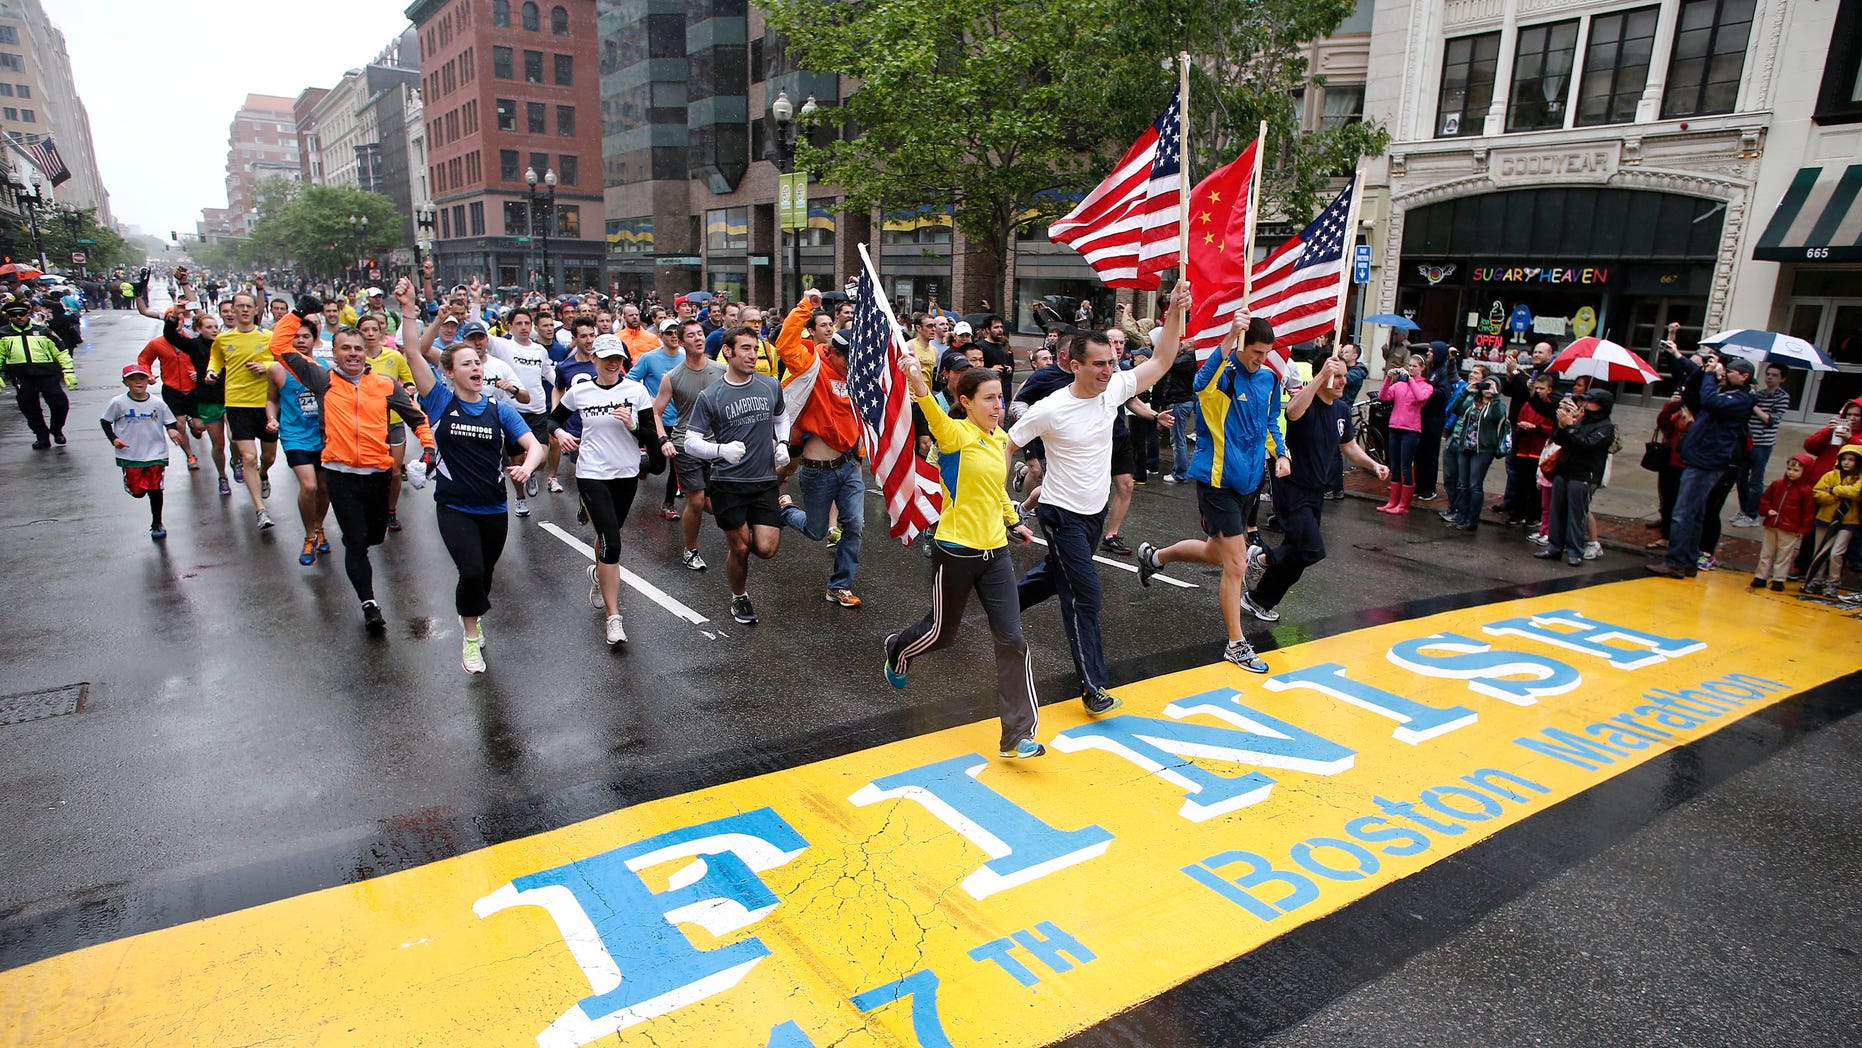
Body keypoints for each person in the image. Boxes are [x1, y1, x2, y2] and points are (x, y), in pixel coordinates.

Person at [1013, 283, 1188, 707]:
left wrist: (1175, 312)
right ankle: (1092, 686)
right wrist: (1003, 508)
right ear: (1074, 366)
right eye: (1098, 365)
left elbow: (1163, 358)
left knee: (1057, 577)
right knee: (1085, 593)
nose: (1108, 370)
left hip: (1094, 512)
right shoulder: (1051, 407)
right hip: (1060, 513)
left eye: (1111, 363)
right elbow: (1008, 443)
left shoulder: (1114, 389)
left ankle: (998, 602)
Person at [886, 351, 1044, 759]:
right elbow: (933, 415)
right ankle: (897, 649)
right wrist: (918, 383)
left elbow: (996, 491)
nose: (998, 406)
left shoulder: (1000, 440)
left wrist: (1013, 520)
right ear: (966, 401)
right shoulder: (955, 435)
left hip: (996, 554)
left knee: (1012, 639)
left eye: (1000, 398)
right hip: (956, 551)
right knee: (943, 633)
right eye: (988, 399)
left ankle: (1017, 735)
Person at [1136, 307, 1281, 673]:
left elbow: (1270, 422)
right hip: (1216, 481)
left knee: (1216, 553)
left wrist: (1281, 453)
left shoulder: (1269, 379)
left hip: (1249, 480)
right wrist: (1230, 336)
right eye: (1256, 352)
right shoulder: (1224, 377)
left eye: (1266, 354)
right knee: (1235, 563)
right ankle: (1236, 644)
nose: (1260, 360)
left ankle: (1155, 557)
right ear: (1242, 347)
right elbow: (1200, 383)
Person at [403, 325, 548, 670]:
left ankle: (472, 613)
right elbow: (412, 353)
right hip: (454, 506)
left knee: (484, 575)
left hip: (494, 506)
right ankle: (470, 639)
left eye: (477, 363)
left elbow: (534, 447)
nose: (475, 369)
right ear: (449, 372)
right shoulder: (440, 401)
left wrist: (527, 467)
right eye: (466, 364)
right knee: (469, 571)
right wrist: (411, 311)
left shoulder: (499, 410)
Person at [274, 323, 436, 631]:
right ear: (333, 352)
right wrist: (296, 315)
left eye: (357, 348)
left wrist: (428, 449)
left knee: (374, 536)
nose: (352, 354)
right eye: (345, 348)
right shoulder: (322, 379)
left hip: (378, 474)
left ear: (365, 353)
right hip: (340, 474)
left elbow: (418, 418)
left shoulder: (386, 384)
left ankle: (358, 541)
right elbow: (279, 346)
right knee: (357, 543)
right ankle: (369, 603)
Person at [551, 333, 657, 645]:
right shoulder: (580, 391)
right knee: (612, 541)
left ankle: (599, 575)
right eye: (607, 358)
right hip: (591, 473)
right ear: (594, 359)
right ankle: (614, 618)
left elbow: (651, 435)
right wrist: (560, 433)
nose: (613, 364)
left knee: (609, 535)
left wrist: (634, 425)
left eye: (618, 359)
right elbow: (552, 419)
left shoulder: (636, 391)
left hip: (625, 474)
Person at [683, 326, 789, 625]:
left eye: (755, 349)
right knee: (740, 547)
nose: (752, 355)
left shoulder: (770, 386)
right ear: (727, 351)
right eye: (745, 348)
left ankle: (768, 521)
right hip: (728, 483)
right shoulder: (711, 395)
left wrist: (782, 442)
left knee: (766, 549)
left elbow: (781, 417)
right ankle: (739, 597)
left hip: (764, 480)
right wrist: (720, 450)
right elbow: (691, 441)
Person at [773, 290, 867, 607]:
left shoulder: (856, 376)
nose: (852, 365)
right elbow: (785, 344)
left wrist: (859, 455)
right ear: (833, 352)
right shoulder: (811, 363)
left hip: (846, 467)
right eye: (848, 358)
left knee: (854, 526)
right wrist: (806, 306)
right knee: (816, 532)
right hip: (816, 473)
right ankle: (785, 509)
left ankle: (839, 586)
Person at [1650, 355, 1756, 579]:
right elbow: (1690, 392)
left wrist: (1709, 375)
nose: (1725, 373)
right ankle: (1687, 560)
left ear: (1745, 376)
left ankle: (1676, 561)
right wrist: (1702, 369)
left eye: (1731, 371)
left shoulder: (1742, 399)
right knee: (1695, 513)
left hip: (1708, 460)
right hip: (1700, 456)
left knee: (1683, 512)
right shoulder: (1723, 392)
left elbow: (1709, 402)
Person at [208, 291, 301, 528]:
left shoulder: (269, 337)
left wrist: (266, 365)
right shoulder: (223, 339)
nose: (245, 310)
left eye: (249, 306)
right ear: (233, 310)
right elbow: (216, 360)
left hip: (266, 404)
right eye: (240, 306)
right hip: (237, 403)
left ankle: (263, 474)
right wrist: (212, 372)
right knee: (248, 457)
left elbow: (284, 361)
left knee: (268, 456)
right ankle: (261, 510)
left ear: (257, 310)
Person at [652, 319, 727, 572]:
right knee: (695, 500)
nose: (698, 338)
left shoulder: (720, 371)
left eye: (700, 334)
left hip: (717, 445)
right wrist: (663, 439)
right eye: (691, 335)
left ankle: (737, 531)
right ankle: (690, 550)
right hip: (686, 443)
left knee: (717, 503)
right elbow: (656, 412)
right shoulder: (672, 377)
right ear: (682, 342)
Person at [266, 320, 332, 565]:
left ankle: (319, 527)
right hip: (294, 435)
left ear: (314, 340)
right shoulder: (277, 369)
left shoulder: (325, 368)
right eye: (296, 337)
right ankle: (308, 536)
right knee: (310, 487)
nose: (301, 341)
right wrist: (272, 419)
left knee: (325, 488)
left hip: (323, 436)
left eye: (306, 336)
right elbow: (271, 400)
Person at [101, 363, 189, 540]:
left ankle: (157, 522)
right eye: (132, 379)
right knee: (138, 491)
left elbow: (169, 421)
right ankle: (133, 486)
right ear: (125, 383)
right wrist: (114, 439)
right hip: (131, 454)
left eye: (141, 378)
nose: (138, 382)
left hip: (155, 453)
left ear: (148, 381)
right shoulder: (118, 403)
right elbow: (105, 421)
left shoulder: (157, 403)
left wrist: (172, 430)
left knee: (155, 488)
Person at [1538, 389, 1617, 567]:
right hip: (1563, 470)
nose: (1585, 403)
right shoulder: (1580, 419)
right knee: (1556, 511)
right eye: (1585, 400)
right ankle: (1554, 546)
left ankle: (1574, 550)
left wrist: (1570, 427)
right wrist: (1561, 424)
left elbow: (1587, 444)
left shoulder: (1606, 427)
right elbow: (1559, 439)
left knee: (1576, 515)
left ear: (1602, 404)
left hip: (1583, 474)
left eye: (1590, 401)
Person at [627, 318, 690, 521]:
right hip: (658, 419)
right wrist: (648, 396)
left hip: (680, 420)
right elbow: (629, 381)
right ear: (661, 336)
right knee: (658, 466)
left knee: (676, 465)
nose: (673, 336)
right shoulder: (649, 358)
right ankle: (641, 465)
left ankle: (668, 505)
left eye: (676, 332)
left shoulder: (685, 358)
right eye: (669, 332)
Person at [1, 294, 75, 449]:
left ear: (28, 314)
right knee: (29, 408)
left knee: (59, 404)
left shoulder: (43, 332)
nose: (19, 318)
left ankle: (57, 430)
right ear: (9, 317)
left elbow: (61, 351)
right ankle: (41, 435)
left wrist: (68, 371)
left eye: (22, 314)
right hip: (22, 377)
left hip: (46, 374)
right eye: (14, 315)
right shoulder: (4, 334)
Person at [1441, 375, 1506, 531]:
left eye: (1492, 386)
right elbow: (1455, 409)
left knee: (1474, 485)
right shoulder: (1472, 402)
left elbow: (1497, 416)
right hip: (1466, 447)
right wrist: (1466, 392)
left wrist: (1495, 395)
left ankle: (1472, 519)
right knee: (1462, 484)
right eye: (1486, 385)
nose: (1488, 389)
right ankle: (1461, 515)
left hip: (1483, 450)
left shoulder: (1498, 405)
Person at [1733, 362, 1791, 527]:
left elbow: (1770, 420)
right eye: (1768, 374)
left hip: (1763, 443)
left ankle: (1753, 514)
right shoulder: (1760, 394)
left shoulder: (1782, 397)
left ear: (1782, 379)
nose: (1769, 377)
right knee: (1741, 477)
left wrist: (1755, 405)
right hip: (1748, 440)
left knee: (1755, 481)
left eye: (1774, 375)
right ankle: (1744, 509)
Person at [1375, 353, 1433, 515]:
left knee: (1405, 468)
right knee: (1395, 466)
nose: (1411, 368)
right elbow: (1383, 396)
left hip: (1411, 431)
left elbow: (1420, 397)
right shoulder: (1400, 385)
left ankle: (1403, 505)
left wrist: (1411, 380)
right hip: (1395, 427)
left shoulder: (1426, 386)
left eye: (1415, 366)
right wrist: (1388, 379)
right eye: (1410, 365)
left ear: (1422, 368)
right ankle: (1392, 501)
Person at [1753, 454, 1817, 591]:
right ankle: (1760, 577)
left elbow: (1808, 513)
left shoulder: (1806, 491)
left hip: (1790, 528)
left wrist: (1803, 530)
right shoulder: (1777, 484)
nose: (1791, 473)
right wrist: (1767, 510)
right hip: (1772, 524)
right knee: (1766, 552)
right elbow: (1765, 499)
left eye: (1795, 470)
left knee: (1784, 555)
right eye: (1789, 469)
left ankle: (1778, 579)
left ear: (1805, 472)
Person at [1804, 444, 1861, 596]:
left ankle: (1833, 583)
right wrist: (1833, 497)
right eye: (1844, 459)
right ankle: (1815, 580)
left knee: (1837, 553)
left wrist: (1834, 489)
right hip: (1825, 518)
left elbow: (1856, 492)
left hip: (1848, 520)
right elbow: (1817, 492)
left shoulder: (1859, 477)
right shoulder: (1830, 475)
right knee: (1820, 551)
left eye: (1851, 459)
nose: (1846, 463)